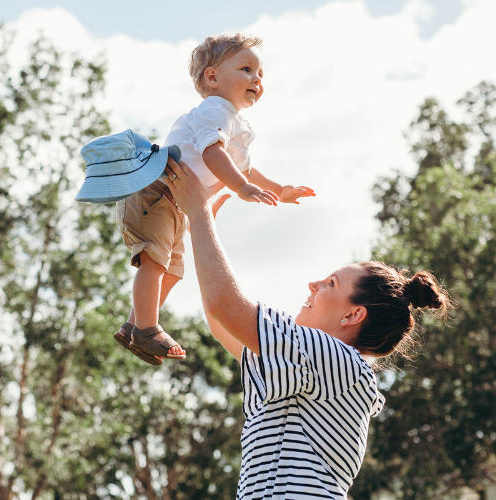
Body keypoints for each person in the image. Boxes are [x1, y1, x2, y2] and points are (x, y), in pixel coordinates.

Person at [161, 158, 452, 498]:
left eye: (330, 283)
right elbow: (221, 320)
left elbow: (224, 306)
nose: (313, 284)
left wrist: (199, 213)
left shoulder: (337, 359)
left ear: (353, 315)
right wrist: (201, 224)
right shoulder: (320, 365)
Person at [115, 33, 315, 365]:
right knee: (155, 261)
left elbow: (246, 170)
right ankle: (148, 327)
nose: (257, 79)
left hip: (176, 202)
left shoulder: (236, 123)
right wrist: (240, 188)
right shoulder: (214, 110)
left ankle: (134, 325)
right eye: (247, 69)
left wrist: (281, 190)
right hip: (156, 191)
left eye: (261, 74)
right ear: (212, 77)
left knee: (173, 270)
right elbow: (213, 155)